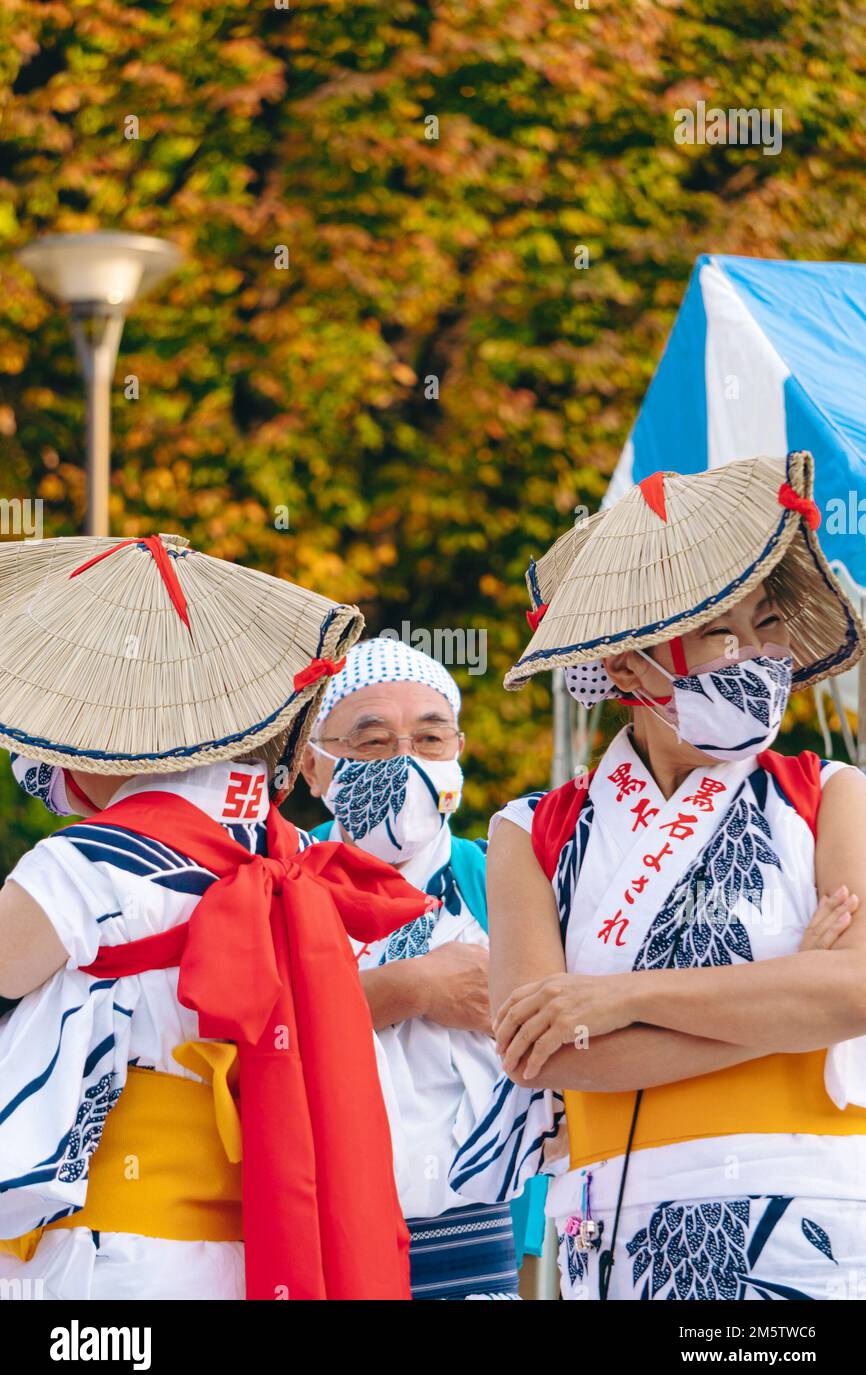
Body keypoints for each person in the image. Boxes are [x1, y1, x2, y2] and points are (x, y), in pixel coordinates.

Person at [452, 452, 866, 1300]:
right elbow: (539, 1054)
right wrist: (792, 1000)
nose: (756, 656)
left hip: (811, 1217)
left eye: (768, 624)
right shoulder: (530, 830)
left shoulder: (830, 793)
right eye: (722, 633)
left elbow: (857, 989)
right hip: (614, 1226)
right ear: (631, 666)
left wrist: (616, 999)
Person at [0, 532, 433, 1300]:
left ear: (106, 729)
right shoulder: (294, 853)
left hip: (112, 1259)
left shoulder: (86, 865)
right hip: (260, 1248)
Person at [301, 636, 545, 1298]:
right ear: (313, 766)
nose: (405, 764)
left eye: (430, 740)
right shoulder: (281, 883)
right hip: (321, 1240)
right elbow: (262, 1034)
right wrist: (412, 988)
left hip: (484, 1238)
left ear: (458, 753)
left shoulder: (507, 879)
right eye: (373, 743)